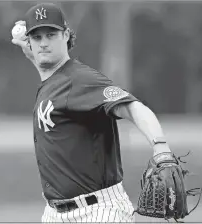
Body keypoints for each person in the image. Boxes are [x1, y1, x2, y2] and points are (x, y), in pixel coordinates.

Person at [12, 3, 173, 222]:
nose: (43, 43)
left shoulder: (80, 80)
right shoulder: (52, 80)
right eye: (37, 37)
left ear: (66, 35)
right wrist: (30, 51)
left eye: (51, 34)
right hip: (54, 214)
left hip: (97, 212)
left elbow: (134, 107)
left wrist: (160, 146)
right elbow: (44, 63)